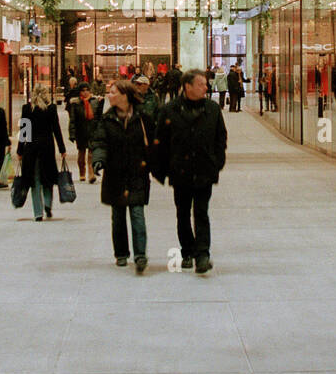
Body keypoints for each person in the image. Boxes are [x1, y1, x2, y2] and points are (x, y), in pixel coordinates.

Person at [150, 69, 227, 274]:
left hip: (204, 169)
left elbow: (221, 137)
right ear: (188, 87)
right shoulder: (170, 110)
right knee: (182, 213)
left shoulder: (212, 109)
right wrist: (162, 169)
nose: (206, 87)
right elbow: (161, 141)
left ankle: (202, 255)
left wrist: (217, 162)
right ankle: (187, 251)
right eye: (201, 84)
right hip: (180, 171)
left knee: (201, 212)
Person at [90, 78, 155, 273]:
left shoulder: (143, 118)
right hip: (115, 173)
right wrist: (98, 160)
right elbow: (100, 142)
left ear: (124, 95)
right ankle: (121, 254)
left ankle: (140, 255)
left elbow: (153, 142)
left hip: (137, 172)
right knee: (117, 216)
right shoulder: (107, 119)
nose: (109, 95)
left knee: (137, 214)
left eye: (113, 92)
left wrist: (157, 165)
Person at [17, 84, 67, 222]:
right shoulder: (51, 109)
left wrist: (20, 150)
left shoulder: (27, 109)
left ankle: (38, 213)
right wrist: (62, 149)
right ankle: (47, 204)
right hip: (47, 148)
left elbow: (24, 132)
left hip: (31, 149)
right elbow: (56, 130)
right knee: (48, 178)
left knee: (35, 181)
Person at [66, 84, 101, 184]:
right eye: (83, 90)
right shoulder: (76, 104)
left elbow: (98, 118)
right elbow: (72, 120)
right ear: (79, 92)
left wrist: (100, 131)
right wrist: (72, 134)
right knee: (81, 154)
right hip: (80, 131)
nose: (85, 92)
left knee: (91, 154)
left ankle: (91, 174)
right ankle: (82, 173)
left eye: (87, 90)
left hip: (92, 131)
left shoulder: (95, 102)